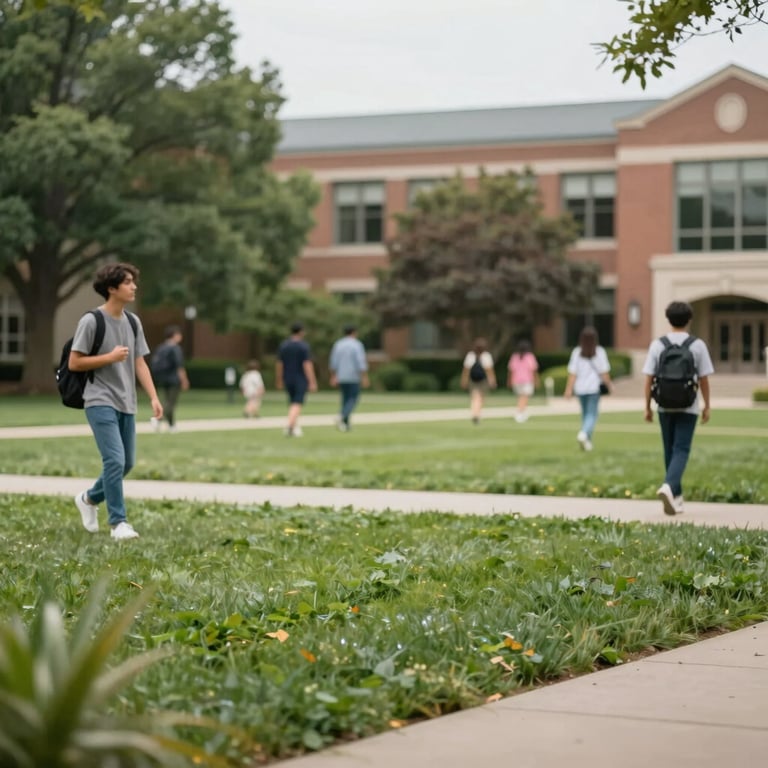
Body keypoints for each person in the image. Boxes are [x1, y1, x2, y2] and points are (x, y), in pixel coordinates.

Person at [69, 262, 162, 540]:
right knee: (114, 460)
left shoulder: (133, 322)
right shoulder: (91, 321)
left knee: (127, 463)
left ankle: (88, 499)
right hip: (99, 399)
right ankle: (118, 523)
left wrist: (154, 397)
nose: (134, 286)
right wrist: (108, 357)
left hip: (127, 401)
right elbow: (75, 362)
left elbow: (140, 363)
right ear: (112, 288)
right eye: (128, 282)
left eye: (134, 281)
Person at [642, 301, 714, 516]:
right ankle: (669, 487)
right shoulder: (697, 345)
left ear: (668, 319)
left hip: (664, 405)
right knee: (681, 450)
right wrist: (707, 405)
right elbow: (704, 379)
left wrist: (647, 406)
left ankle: (677, 497)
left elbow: (648, 379)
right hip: (688, 405)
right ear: (689, 319)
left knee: (669, 450)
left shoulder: (658, 344)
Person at [564, 326, 612, 451]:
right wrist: (609, 384)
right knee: (592, 414)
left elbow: (573, 373)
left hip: (580, 388)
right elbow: (604, 372)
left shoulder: (577, 352)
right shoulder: (600, 352)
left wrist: (568, 389)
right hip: (593, 388)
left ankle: (587, 441)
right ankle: (584, 433)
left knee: (585, 415)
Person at [275, 322, 317, 437]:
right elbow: (307, 364)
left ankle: (294, 426)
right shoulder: (303, 346)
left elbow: (279, 364)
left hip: (288, 377)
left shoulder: (284, 346)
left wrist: (279, 379)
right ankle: (290, 425)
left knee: (292, 402)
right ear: (301, 332)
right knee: (297, 403)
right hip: (300, 378)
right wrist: (312, 381)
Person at [329, 324, 370, 431]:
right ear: (354, 332)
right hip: (353, 376)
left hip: (341, 376)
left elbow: (333, 362)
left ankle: (345, 424)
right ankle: (342, 415)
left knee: (345, 399)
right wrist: (364, 376)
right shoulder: (356, 345)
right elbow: (360, 362)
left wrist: (333, 376)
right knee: (353, 398)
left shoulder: (338, 344)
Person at [149, 324, 189, 433]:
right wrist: (184, 380)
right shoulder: (175, 348)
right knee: (170, 403)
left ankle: (172, 425)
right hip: (173, 379)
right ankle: (157, 419)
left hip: (163, 378)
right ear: (174, 335)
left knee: (167, 401)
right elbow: (179, 366)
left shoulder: (161, 348)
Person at [460, 337, 496, 424]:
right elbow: (489, 370)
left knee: (475, 398)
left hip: (473, 380)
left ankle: (475, 413)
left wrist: (464, 380)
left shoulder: (470, 355)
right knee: (480, 398)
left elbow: (466, 370)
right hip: (483, 380)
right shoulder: (486, 356)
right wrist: (492, 381)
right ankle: (477, 414)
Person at [508, 339, 540, 423]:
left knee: (521, 397)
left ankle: (522, 411)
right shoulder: (530, 357)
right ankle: (520, 412)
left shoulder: (514, 356)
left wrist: (510, 380)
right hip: (527, 380)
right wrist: (536, 380)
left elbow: (511, 370)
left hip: (516, 380)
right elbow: (533, 370)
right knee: (524, 397)